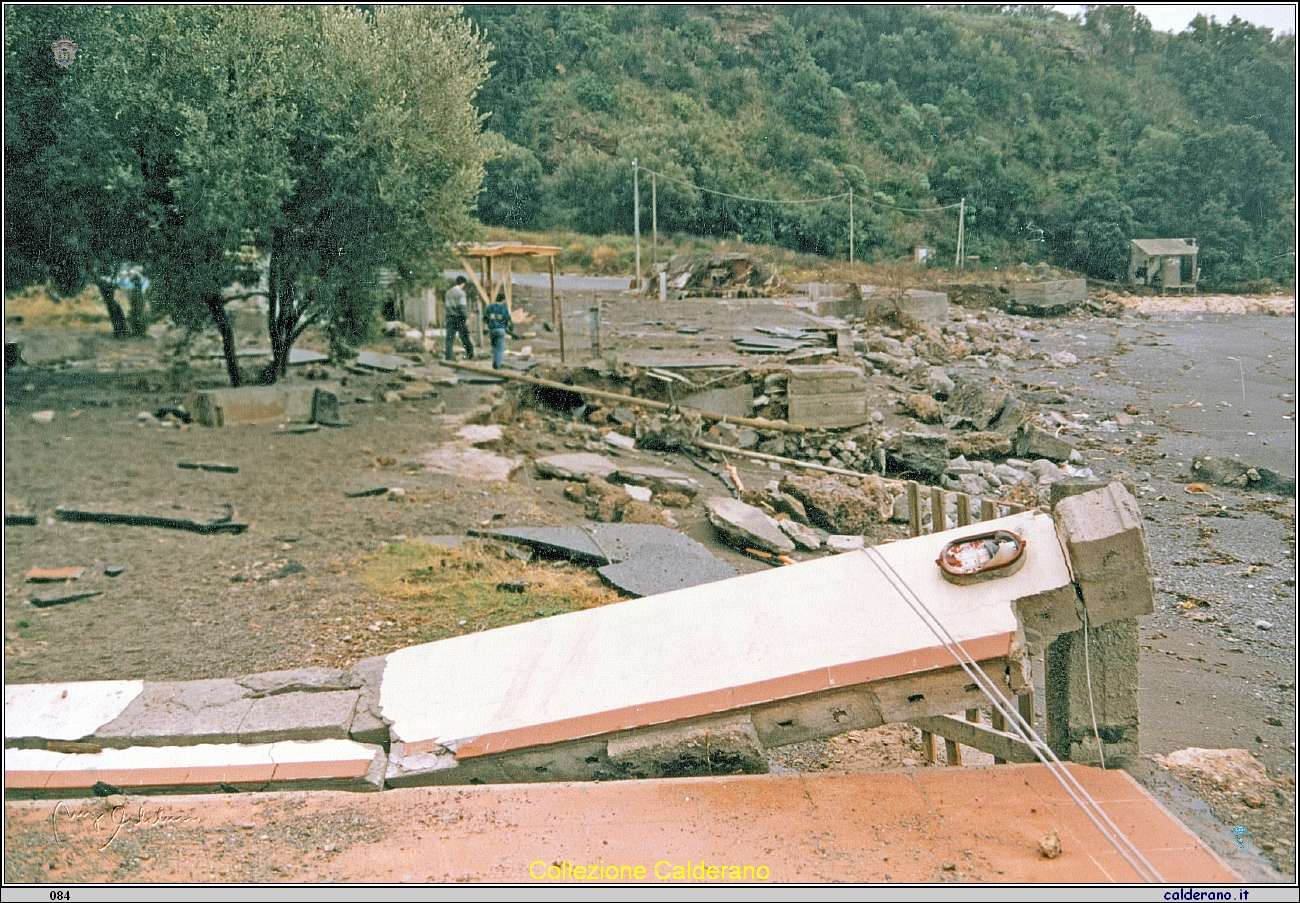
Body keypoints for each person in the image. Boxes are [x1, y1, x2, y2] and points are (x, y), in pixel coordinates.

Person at [443, 276, 473, 362]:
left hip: (450, 317)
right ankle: (470, 354)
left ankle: (448, 356)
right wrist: (466, 317)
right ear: (463, 283)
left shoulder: (448, 292)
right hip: (460, 318)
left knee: (450, 338)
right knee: (464, 336)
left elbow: (447, 306)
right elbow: (462, 307)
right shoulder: (461, 293)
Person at [484, 290, 515, 370]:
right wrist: (511, 328)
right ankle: (498, 365)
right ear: (503, 300)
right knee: (500, 348)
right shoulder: (504, 309)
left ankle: (495, 361)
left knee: (494, 347)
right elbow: (508, 320)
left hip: (492, 330)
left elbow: (485, 318)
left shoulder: (490, 308)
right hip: (501, 330)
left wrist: (488, 325)